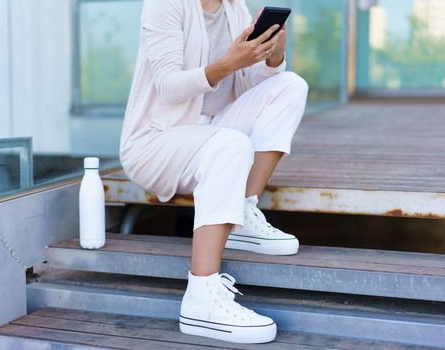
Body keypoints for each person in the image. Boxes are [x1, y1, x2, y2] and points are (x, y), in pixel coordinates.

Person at [119, 0, 308, 344]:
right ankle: (201, 298)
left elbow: (257, 80)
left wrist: (273, 55)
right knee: (230, 144)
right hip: (157, 141)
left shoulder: (234, 7)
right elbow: (167, 84)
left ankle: (243, 211)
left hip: (214, 129)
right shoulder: (165, 4)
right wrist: (223, 66)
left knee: (292, 86)